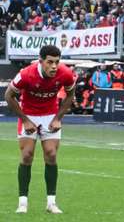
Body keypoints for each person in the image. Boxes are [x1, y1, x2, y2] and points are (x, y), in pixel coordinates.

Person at [4, 45, 75, 214]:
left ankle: (51, 203)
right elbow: (8, 95)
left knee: (51, 154)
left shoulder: (65, 73)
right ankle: (23, 202)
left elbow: (71, 94)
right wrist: (25, 120)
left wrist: (58, 118)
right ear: (41, 61)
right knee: (27, 155)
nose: (54, 66)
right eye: (50, 62)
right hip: (28, 114)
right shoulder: (27, 74)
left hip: (50, 115)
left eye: (57, 62)